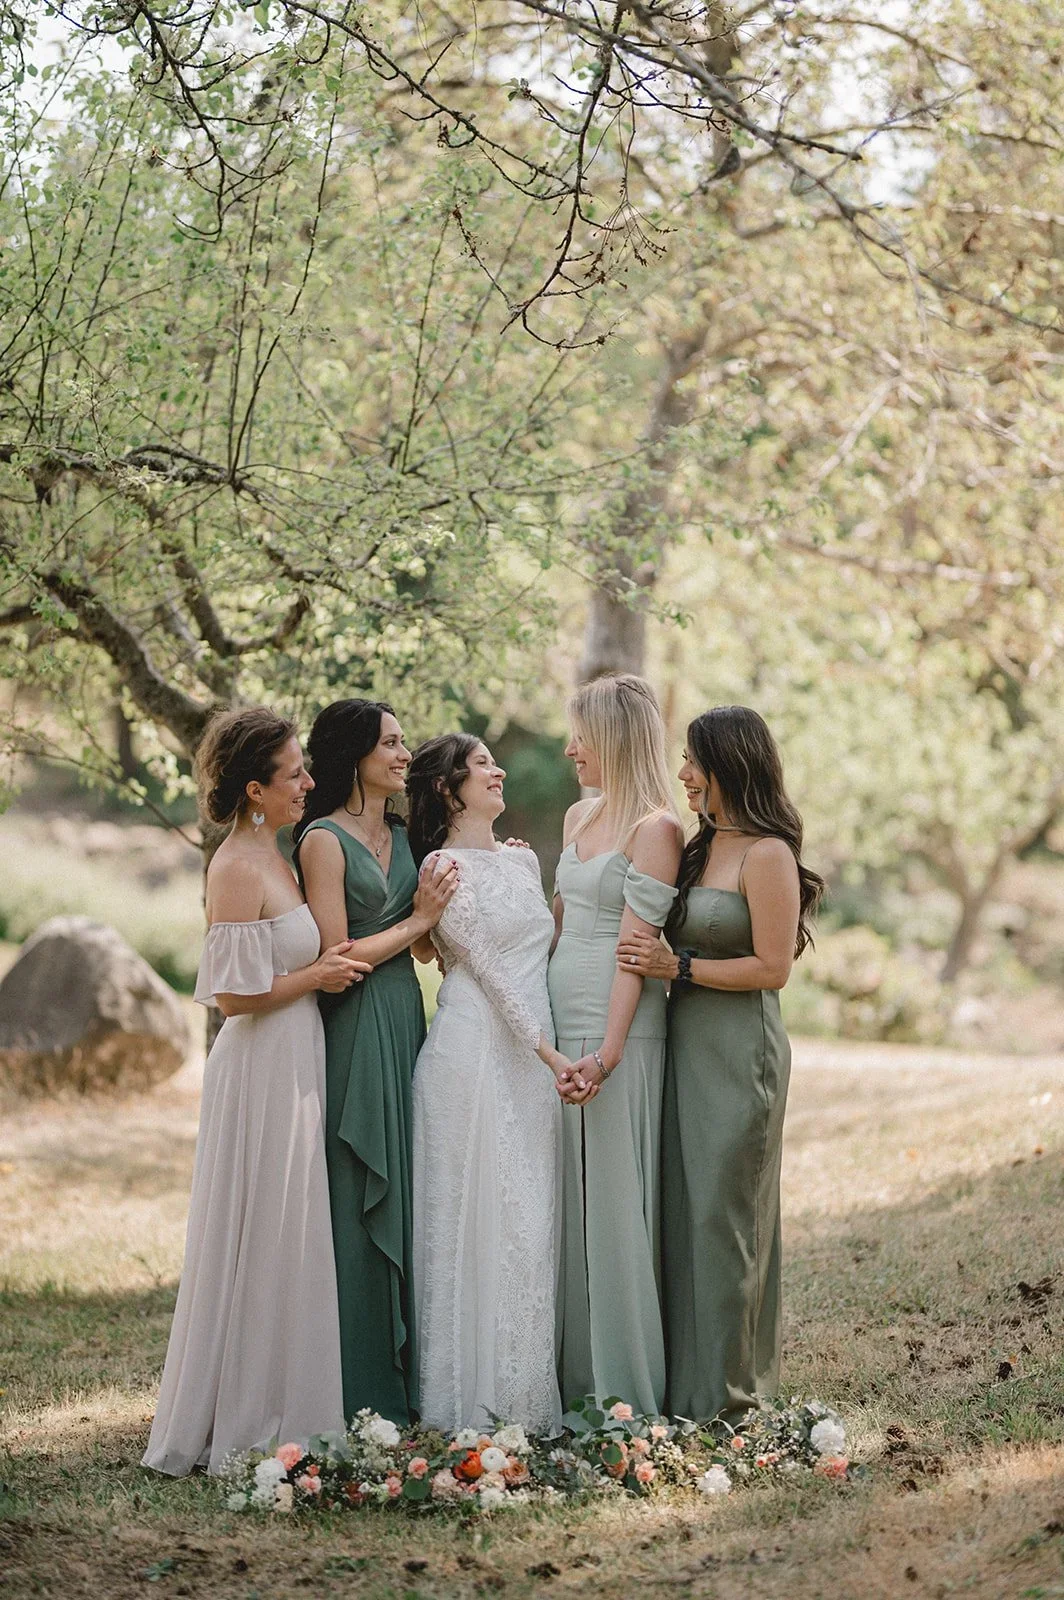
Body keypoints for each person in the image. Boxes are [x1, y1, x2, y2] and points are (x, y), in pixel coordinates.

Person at [143, 706, 367, 1475]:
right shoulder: (236, 868)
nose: (308, 782)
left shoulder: (282, 855)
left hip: (297, 1053)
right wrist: (316, 976)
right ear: (253, 789)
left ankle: (290, 1398)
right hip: (258, 1061)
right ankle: (238, 1411)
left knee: (290, 1227)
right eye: (294, 774)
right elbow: (233, 998)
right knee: (257, 1226)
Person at [617, 705, 823, 1421]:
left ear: (730, 763)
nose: (682, 776)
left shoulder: (767, 854)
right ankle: (686, 1390)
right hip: (683, 1047)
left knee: (725, 1218)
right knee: (684, 1213)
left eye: (693, 762)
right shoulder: (701, 850)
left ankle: (731, 1400)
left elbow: (772, 968)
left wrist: (681, 965)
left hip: (741, 1053)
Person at [293, 699, 457, 1426]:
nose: (402, 754)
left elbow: (426, 950)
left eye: (402, 742)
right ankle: (361, 1387)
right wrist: (418, 920)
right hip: (354, 1023)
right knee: (359, 1195)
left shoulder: (404, 835)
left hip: (406, 1019)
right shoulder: (322, 841)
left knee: (410, 1191)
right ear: (355, 754)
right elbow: (340, 956)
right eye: (389, 743)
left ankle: (409, 1377)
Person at [406, 734, 568, 1435]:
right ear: (449, 787)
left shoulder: (523, 859)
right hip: (476, 1055)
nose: (498, 770)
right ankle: (461, 1405)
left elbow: (541, 948)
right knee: (475, 1219)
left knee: (528, 1217)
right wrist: (550, 1055)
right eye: (481, 765)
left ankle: (528, 1399)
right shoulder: (441, 867)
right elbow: (492, 975)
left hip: (531, 1060)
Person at [548, 674, 683, 1416]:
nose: (571, 748)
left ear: (617, 740)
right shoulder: (577, 814)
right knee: (568, 1199)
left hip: (618, 1026)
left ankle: (623, 1391)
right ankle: (572, 1380)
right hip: (561, 1017)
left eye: (582, 735)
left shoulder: (655, 829)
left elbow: (637, 946)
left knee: (613, 1200)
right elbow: (559, 923)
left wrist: (609, 1051)